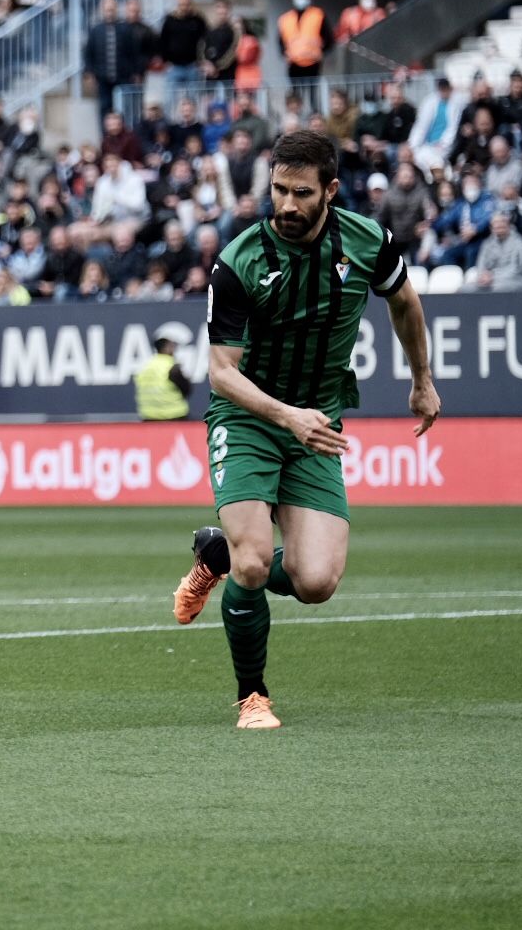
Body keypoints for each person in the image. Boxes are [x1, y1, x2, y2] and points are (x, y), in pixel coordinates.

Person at [170, 130, 440, 730]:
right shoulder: (239, 260)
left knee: (316, 582)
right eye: (277, 191)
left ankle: (216, 552)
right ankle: (252, 697)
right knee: (255, 563)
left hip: (316, 421)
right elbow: (221, 376)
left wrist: (421, 379)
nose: (287, 205)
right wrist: (287, 415)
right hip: (249, 418)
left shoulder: (367, 241)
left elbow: (405, 303)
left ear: (330, 191)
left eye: (301, 193)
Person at [133, 335, 191, 420]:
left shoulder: (145, 367)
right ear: (167, 348)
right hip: (174, 416)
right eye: (172, 346)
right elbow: (186, 389)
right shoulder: (171, 367)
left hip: (149, 417)